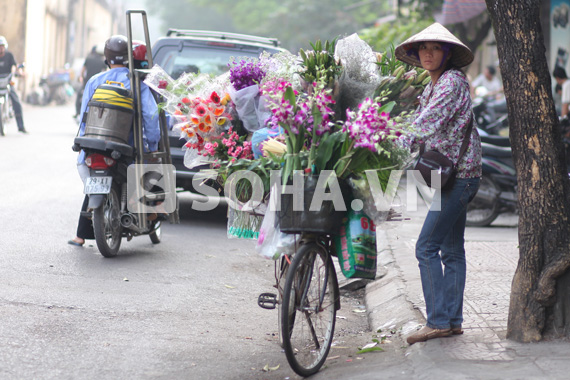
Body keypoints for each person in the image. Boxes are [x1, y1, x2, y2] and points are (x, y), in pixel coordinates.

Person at [394, 23, 482, 344]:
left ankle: (437, 321)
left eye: (435, 48)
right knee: (452, 251)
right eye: (423, 48)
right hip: (454, 177)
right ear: (417, 53)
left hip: (459, 178)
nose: (428, 53)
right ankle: (452, 320)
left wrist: (387, 145)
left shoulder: (451, 83)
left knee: (426, 247)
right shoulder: (435, 84)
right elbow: (419, 119)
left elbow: (426, 123)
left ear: (447, 53)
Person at [68, 35, 161, 247]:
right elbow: (152, 116)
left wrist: (84, 144)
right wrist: (152, 145)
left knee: (91, 178)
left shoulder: (94, 81)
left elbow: (83, 116)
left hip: (92, 150)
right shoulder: (137, 82)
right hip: (127, 152)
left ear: (106, 58)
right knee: (150, 173)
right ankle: (149, 214)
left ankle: (80, 235)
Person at [0, 35, 27, 133]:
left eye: (2, 46)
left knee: (16, 101)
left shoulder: (9, 56)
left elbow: (16, 66)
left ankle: (21, 126)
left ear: (5, 47)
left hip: (7, 81)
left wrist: (19, 72)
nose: (0, 48)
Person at [74, 44, 107, 118]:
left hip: (87, 83)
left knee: (79, 95)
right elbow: (105, 73)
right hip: (98, 85)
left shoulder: (88, 59)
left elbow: (82, 71)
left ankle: (78, 112)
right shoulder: (102, 62)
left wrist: (81, 78)